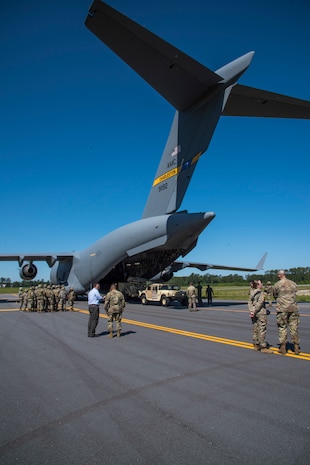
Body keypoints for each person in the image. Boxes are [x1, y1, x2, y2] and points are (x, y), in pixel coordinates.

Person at [273, 270, 300, 355]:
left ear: (280, 275)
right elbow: (295, 292)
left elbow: (275, 295)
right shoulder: (293, 283)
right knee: (294, 328)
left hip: (282, 309)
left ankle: (283, 347)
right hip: (293, 308)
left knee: (282, 327)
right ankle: (296, 347)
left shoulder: (277, 284)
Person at [248, 280, 272, 353]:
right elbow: (260, 303)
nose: (262, 285)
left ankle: (256, 344)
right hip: (260, 313)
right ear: (258, 285)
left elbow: (249, 303)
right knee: (262, 329)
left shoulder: (252, 293)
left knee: (255, 328)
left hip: (254, 313)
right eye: (261, 283)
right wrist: (255, 311)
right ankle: (263, 347)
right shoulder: (261, 293)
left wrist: (252, 311)